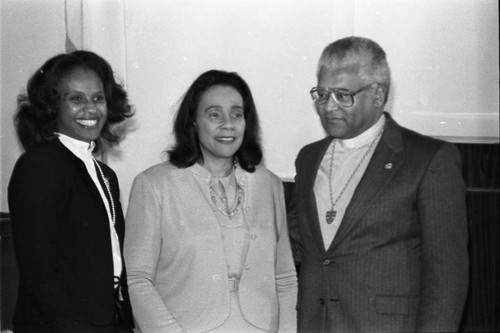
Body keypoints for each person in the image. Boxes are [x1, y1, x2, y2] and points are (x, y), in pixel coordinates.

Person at [288, 36, 469, 332]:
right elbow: (300, 247)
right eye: (321, 93)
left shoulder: (428, 159)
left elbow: (447, 280)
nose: (328, 106)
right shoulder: (308, 159)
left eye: (342, 94)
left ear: (377, 94)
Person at [124, 69, 297, 333]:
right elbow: (138, 279)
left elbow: (284, 277)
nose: (228, 124)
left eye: (237, 114)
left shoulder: (269, 184)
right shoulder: (154, 185)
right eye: (214, 114)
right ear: (193, 121)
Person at [8, 50, 135, 333]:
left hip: (106, 321)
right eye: (76, 99)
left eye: (98, 98)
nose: (90, 109)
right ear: (52, 106)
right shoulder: (39, 165)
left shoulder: (105, 175)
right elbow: (39, 274)